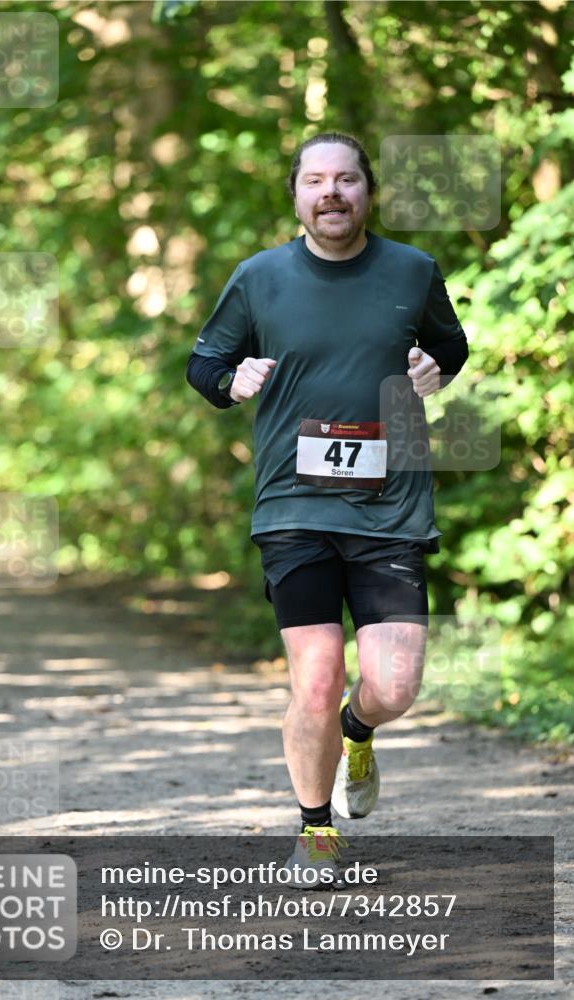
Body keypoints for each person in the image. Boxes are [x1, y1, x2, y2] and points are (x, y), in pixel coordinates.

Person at [186, 132, 468, 885]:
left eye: (346, 179)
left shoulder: (412, 270)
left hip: (390, 506)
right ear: (297, 195)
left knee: (395, 686)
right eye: (316, 181)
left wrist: (431, 367)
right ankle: (315, 830)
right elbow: (203, 361)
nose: (331, 193)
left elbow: (450, 347)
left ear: (367, 191)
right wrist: (229, 380)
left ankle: (358, 731)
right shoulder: (259, 277)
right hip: (293, 504)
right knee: (313, 674)